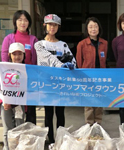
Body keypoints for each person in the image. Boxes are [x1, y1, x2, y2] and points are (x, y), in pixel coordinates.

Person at [34, 14, 76, 143]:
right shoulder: (39, 44)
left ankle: (60, 139)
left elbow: (72, 60)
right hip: (46, 84)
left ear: (58, 27)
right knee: (48, 114)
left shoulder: (63, 45)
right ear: (45, 26)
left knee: (60, 113)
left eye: (55, 25)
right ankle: (50, 139)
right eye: (50, 24)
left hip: (61, 84)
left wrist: (71, 65)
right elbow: (47, 58)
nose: (52, 27)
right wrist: (61, 64)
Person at [1, 10, 38, 125]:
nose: (23, 22)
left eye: (26, 20)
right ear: (15, 22)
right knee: (16, 115)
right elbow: (5, 61)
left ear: (29, 23)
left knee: (31, 112)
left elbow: (35, 61)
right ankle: (14, 140)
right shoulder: (8, 38)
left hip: (29, 81)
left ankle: (31, 140)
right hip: (13, 82)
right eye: (20, 20)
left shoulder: (33, 39)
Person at [76, 17, 108, 125]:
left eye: (95, 26)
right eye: (90, 27)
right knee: (89, 103)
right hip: (87, 77)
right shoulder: (82, 44)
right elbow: (79, 63)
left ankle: (98, 126)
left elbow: (105, 61)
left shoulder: (104, 43)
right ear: (87, 29)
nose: (93, 29)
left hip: (100, 77)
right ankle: (89, 126)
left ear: (99, 28)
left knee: (99, 102)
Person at [0, 43, 26, 150]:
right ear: (9, 55)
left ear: (24, 55)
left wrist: (13, 103)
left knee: (20, 127)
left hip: (19, 103)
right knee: (7, 129)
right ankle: (7, 148)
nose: (17, 57)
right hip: (4, 102)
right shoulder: (4, 68)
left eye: (20, 54)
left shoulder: (27, 69)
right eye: (14, 54)